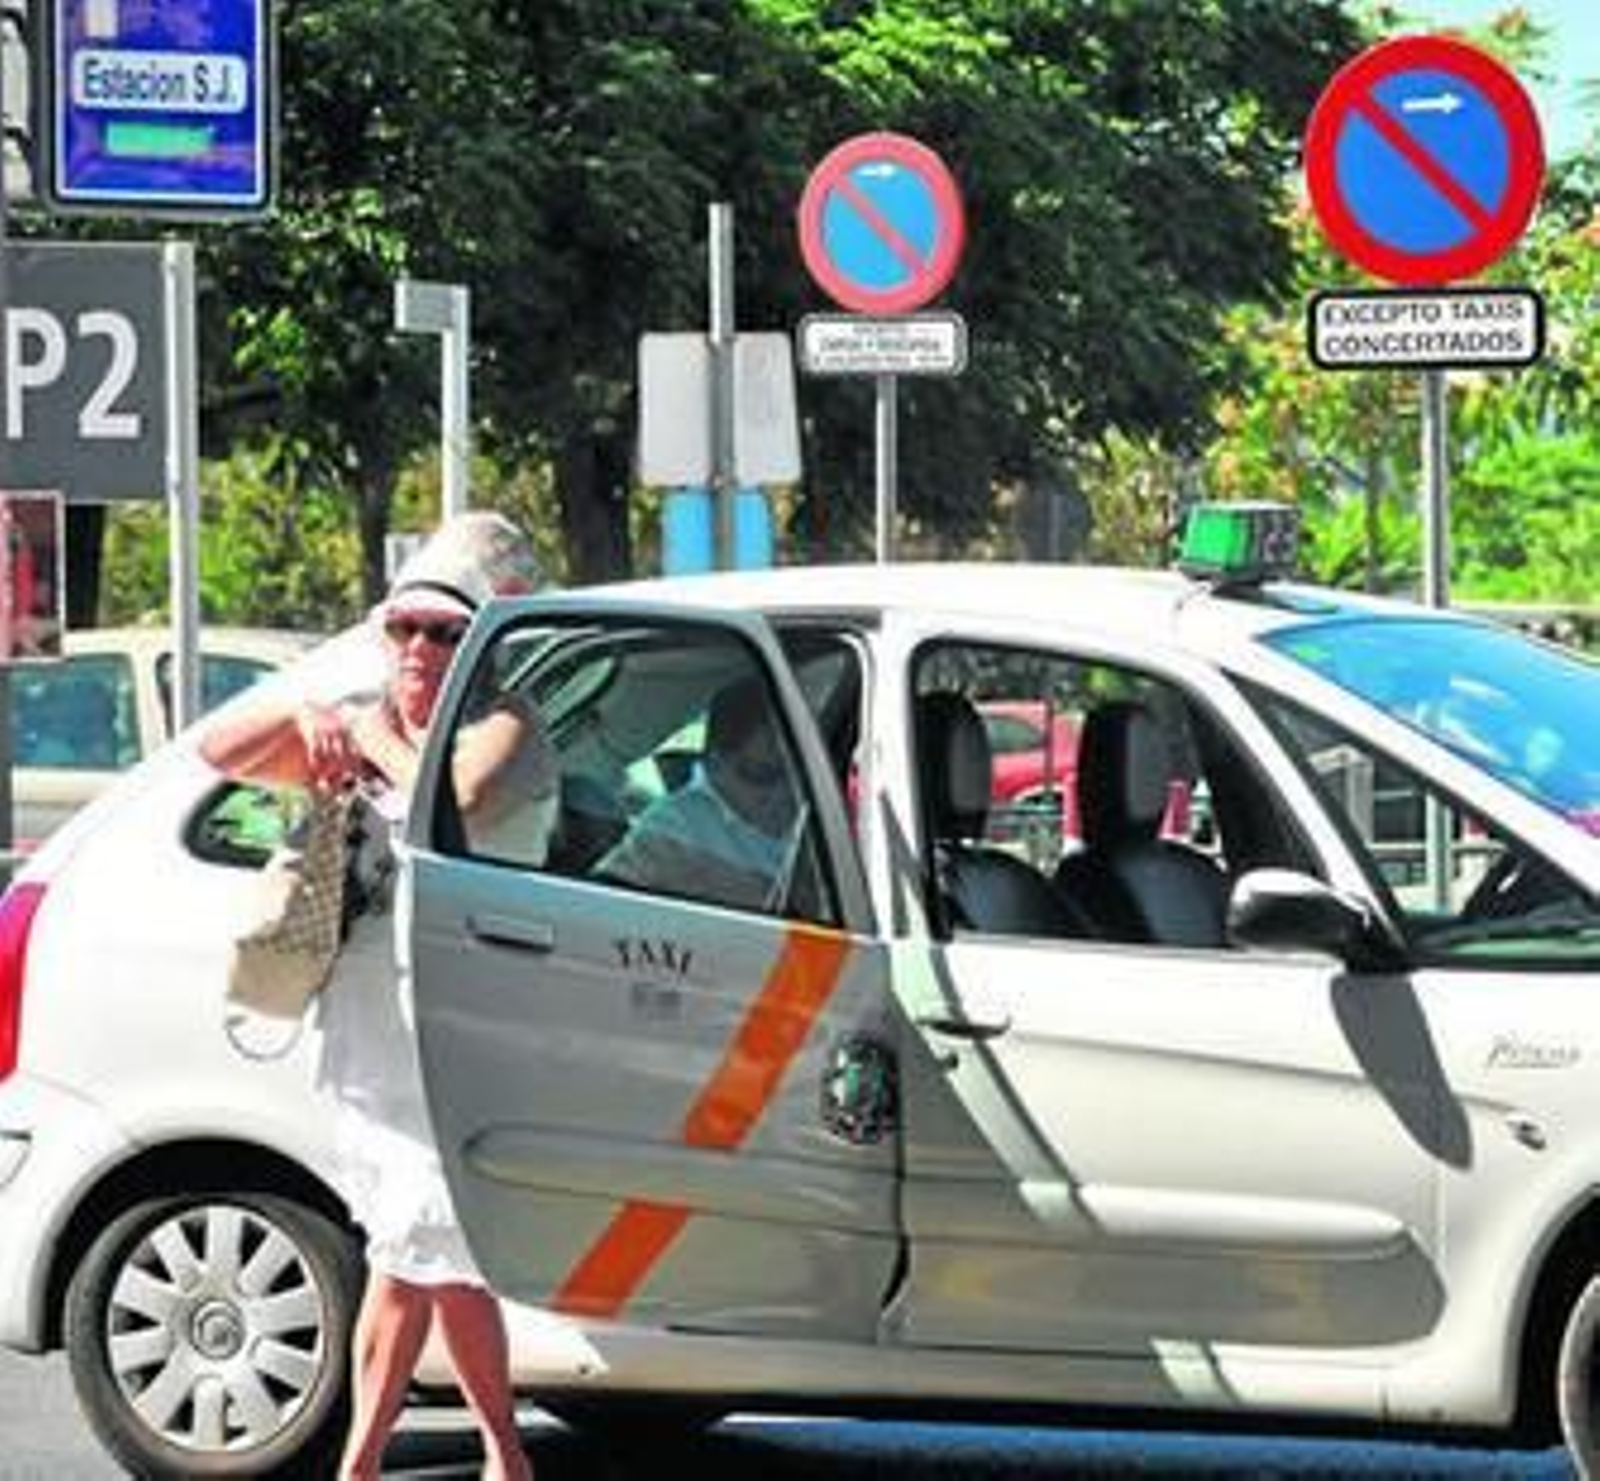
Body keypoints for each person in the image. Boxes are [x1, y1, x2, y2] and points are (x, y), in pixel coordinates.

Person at [201, 511, 552, 1481]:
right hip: (371, 1034)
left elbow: (453, 805)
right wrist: (310, 710)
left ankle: (425, 1458)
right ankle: (481, 1455)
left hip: (461, 1031)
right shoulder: (368, 718)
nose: (418, 649)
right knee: (416, 1249)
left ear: (482, 642)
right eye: (403, 628)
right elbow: (222, 750)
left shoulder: (507, 726)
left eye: (443, 632)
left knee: (423, 1248)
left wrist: (368, 732)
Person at [598, 674, 807, 913]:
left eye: (783, 773)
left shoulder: (812, 810)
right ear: (717, 760)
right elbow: (607, 904)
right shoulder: (675, 826)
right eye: (760, 775)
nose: (777, 791)